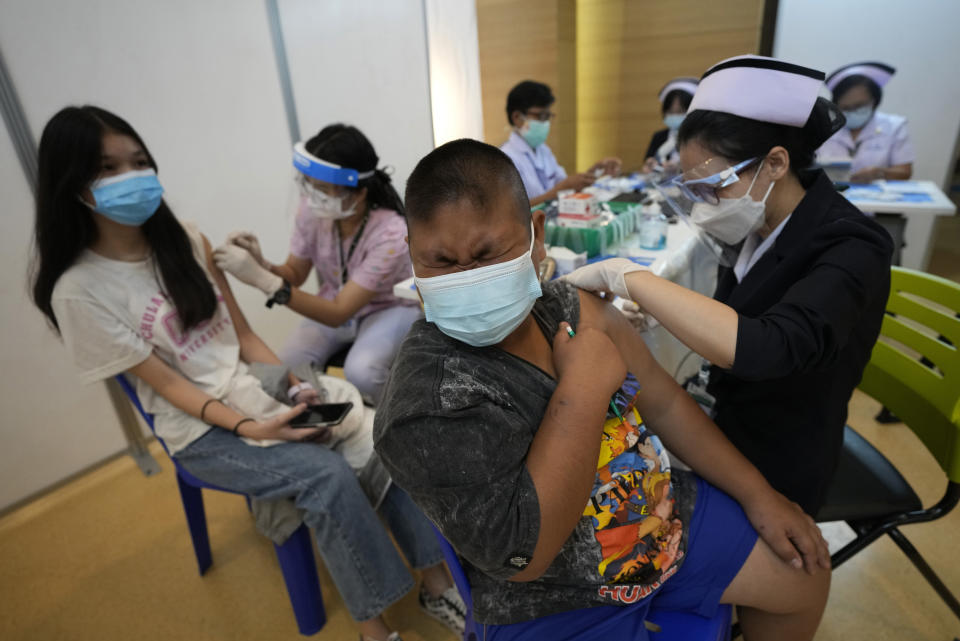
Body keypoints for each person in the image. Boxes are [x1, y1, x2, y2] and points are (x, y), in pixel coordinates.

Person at [31, 106, 465, 641]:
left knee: (377, 434)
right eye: (108, 168)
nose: (133, 178)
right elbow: (169, 386)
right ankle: (374, 630)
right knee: (324, 474)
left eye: (139, 161)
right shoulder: (78, 290)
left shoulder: (184, 239)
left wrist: (290, 384)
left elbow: (241, 337)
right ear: (70, 183)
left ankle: (437, 582)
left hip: (248, 382)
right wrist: (253, 427)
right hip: (198, 427)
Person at [374, 138, 831, 640]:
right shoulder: (426, 405)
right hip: (553, 596)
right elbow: (527, 553)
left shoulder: (567, 307)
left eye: (488, 253)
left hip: (659, 516)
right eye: (440, 262)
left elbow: (665, 403)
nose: (468, 278)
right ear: (414, 265)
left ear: (537, 236)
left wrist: (758, 495)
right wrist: (584, 388)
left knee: (804, 572)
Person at [566, 55, 894, 516]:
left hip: (780, 459)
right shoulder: (757, 226)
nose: (704, 207)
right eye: (693, 191)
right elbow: (742, 310)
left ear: (776, 163)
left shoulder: (854, 244)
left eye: (713, 187)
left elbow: (770, 345)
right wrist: (660, 312)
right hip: (726, 428)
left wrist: (630, 277)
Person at [217, 125, 421, 405]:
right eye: (310, 185)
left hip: (389, 308)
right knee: (288, 367)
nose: (313, 195)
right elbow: (295, 274)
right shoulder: (313, 212)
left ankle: (401, 422)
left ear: (358, 193)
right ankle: (326, 424)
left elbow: (337, 313)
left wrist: (265, 282)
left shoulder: (391, 234)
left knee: (362, 372)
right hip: (336, 305)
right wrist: (262, 264)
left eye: (323, 189)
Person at [500, 80, 621, 207]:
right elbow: (513, 211)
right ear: (517, 118)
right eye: (541, 116)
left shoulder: (542, 150)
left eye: (548, 116)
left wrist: (593, 172)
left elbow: (563, 184)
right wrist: (558, 191)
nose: (546, 122)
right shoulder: (506, 159)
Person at [816, 62, 914, 184]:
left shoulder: (894, 126)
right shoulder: (824, 126)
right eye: (846, 107)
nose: (852, 112)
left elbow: (905, 172)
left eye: (859, 106)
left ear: (875, 101)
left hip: (879, 198)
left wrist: (879, 173)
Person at [642, 77, 699, 172]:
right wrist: (650, 165)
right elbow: (648, 163)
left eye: (680, 111)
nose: (674, 116)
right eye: (670, 112)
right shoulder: (659, 137)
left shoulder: (701, 139)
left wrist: (680, 168)